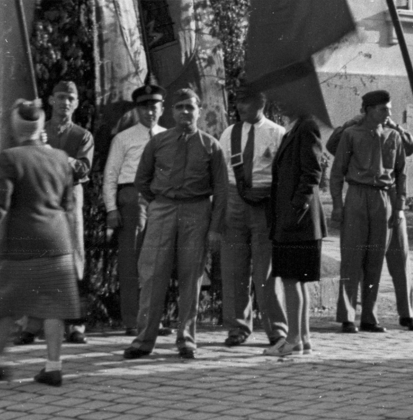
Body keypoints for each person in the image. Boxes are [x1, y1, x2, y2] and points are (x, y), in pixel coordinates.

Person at [0, 99, 81, 388]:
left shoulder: (11, 158)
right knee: (54, 307)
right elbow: (68, 204)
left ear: (16, 128)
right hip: (57, 242)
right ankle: (53, 367)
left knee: (3, 303)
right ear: (41, 127)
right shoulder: (62, 158)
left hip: (19, 245)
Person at [124, 88, 227, 360]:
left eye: (190, 107)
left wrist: (215, 228)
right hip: (163, 210)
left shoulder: (211, 145)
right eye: (180, 107)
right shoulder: (158, 143)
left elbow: (221, 190)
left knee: (190, 277)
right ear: (171, 112)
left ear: (199, 111)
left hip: (196, 211)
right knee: (152, 276)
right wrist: (160, 202)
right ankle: (144, 340)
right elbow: (141, 180)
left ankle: (186, 339)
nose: (185, 112)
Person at [327, 109, 413, 331]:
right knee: (355, 256)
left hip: (389, 196)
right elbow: (333, 147)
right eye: (382, 108)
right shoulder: (353, 131)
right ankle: (351, 315)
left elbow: (409, 149)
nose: (387, 113)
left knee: (400, 258)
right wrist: (351, 120)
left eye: (389, 108)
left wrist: (396, 126)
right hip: (361, 195)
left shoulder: (393, 133)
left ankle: (406, 313)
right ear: (365, 110)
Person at [18, 81, 95, 346]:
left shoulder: (83, 136)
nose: (65, 102)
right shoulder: (39, 131)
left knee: (74, 260)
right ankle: (32, 325)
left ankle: (76, 325)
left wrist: (53, 155)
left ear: (76, 103)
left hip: (71, 198)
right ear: (50, 100)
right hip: (42, 197)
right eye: (60, 97)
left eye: (70, 98)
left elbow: (83, 170)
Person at [215, 87, 287, 349]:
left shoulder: (277, 134)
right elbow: (221, 173)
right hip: (234, 201)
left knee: (266, 271)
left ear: (262, 102)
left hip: (265, 203)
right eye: (238, 102)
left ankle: (277, 330)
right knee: (234, 269)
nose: (240, 107)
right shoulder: (229, 133)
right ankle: (237, 327)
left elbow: (284, 174)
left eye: (246, 102)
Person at [102, 83, 165, 335]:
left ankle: (152, 320)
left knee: (158, 261)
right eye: (144, 107)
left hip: (160, 199)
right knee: (131, 261)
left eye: (154, 107)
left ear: (161, 108)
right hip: (132, 197)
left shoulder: (168, 136)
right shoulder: (123, 138)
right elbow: (110, 175)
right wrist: (110, 208)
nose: (150, 112)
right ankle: (131, 320)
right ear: (137, 110)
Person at [267, 115, 327, 358]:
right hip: (294, 219)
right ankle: (301, 339)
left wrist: (295, 207)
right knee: (295, 281)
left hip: (298, 221)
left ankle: (294, 339)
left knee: (292, 281)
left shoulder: (307, 125)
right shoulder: (295, 128)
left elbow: (313, 170)